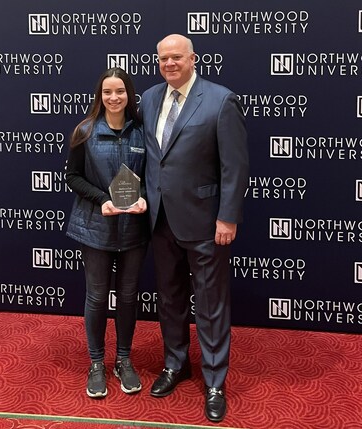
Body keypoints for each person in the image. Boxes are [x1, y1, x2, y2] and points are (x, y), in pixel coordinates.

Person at [139, 34, 249, 422]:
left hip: (205, 222)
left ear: (193, 59)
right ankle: (175, 363)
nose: (169, 64)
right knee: (169, 298)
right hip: (159, 218)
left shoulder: (221, 100)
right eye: (163, 58)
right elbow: (153, 159)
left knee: (210, 303)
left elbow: (234, 167)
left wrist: (228, 216)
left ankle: (215, 379)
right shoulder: (150, 98)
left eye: (176, 57)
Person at [65, 67, 148, 399]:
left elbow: (155, 176)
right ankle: (97, 362)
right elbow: (73, 177)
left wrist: (146, 200)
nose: (114, 98)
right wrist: (102, 200)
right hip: (95, 227)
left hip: (134, 230)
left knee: (128, 297)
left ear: (130, 95)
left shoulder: (144, 132)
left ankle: (124, 359)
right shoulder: (85, 131)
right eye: (107, 92)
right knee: (97, 297)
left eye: (120, 91)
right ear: (99, 96)